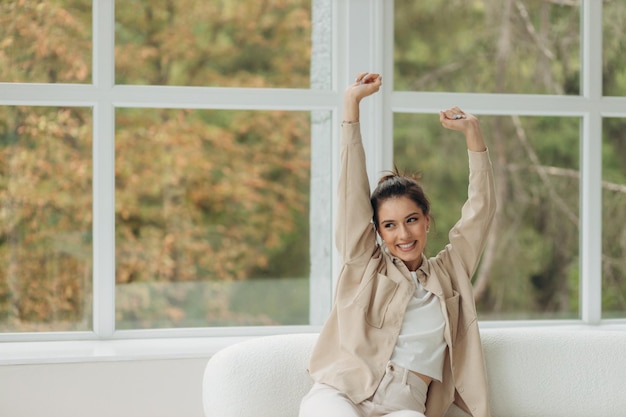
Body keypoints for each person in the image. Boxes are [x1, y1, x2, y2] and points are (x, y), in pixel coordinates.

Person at [299, 72, 496, 417]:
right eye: (389, 225)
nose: (403, 235)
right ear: (378, 231)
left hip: (403, 404)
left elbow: (481, 212)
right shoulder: (365, 264)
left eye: (411, 220)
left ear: (426, 220)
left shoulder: (452, 272)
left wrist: (474, 136)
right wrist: (351, 106)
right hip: (341, 392)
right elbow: (350, 196)